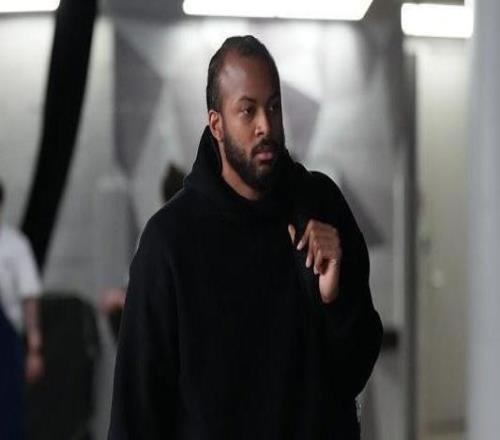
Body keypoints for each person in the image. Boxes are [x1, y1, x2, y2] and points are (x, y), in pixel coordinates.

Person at [108, 35, 383, 439]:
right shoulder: (169, 242)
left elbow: (355, 368)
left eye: (274, 106)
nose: (265, 126)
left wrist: (334, 302)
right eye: (247, 110)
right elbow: (136, 412)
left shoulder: (320, 206)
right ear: (216, 124)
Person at [0, 179, 44, 439]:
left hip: (6, 344)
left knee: (7, 415)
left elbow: (30, 298)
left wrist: (34, 348)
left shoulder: (15, 246)